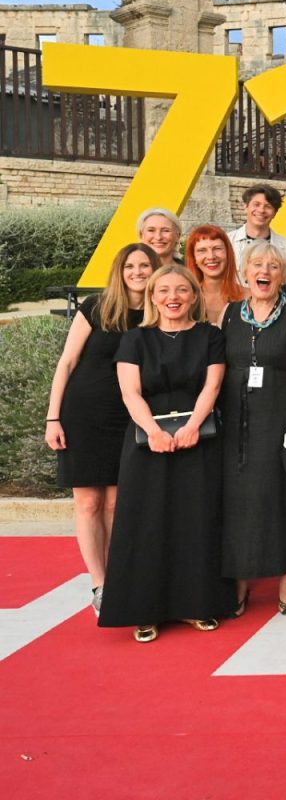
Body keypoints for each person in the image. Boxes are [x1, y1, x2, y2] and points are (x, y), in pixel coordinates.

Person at [98, 264, 234, 641]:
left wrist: (192, 427)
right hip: (147, 443)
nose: (172, 297)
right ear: (152, 297)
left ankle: (198, 605)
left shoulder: (210, 336)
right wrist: (154, 431)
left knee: (197, 521)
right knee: (147, 524)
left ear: (193, 295)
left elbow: (213, 386)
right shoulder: (134, 339)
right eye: (163, 291)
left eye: (181, 290)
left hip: (199, 440)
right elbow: (130, 393)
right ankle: (145, 611)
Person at [45, 243, 157, 614]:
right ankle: (99, 583)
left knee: (116, 503)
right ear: (119, 270)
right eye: (130, 266)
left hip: (129, 417)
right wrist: (53, 417)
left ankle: (120, 575)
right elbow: (67, 362)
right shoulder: (95, 307)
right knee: (88, 501)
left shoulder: (159, 313)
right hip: (84, 413)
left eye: (144, 265)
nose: (137, 272)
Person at [219, 242, 286, 616]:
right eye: (257, 265)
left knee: (279, 498)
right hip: (235, 424)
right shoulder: (229, 314)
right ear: (245, 273)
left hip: (282, 421)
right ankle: (240, 579)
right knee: (237, 502)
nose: (265, 271)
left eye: (274, 266)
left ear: (283, 275)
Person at [185, 224, 243, 326]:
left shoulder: (249, 297)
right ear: (194, 258)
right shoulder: (185, 299)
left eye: (217, 248)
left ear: (228, 253)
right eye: (202, 250)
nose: (211, 256)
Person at [230, 184, 286, 272]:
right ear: (246, 207)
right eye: (256, 204)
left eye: (268, 206)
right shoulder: (228, 242)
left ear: (275, 213)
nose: (261, 210)